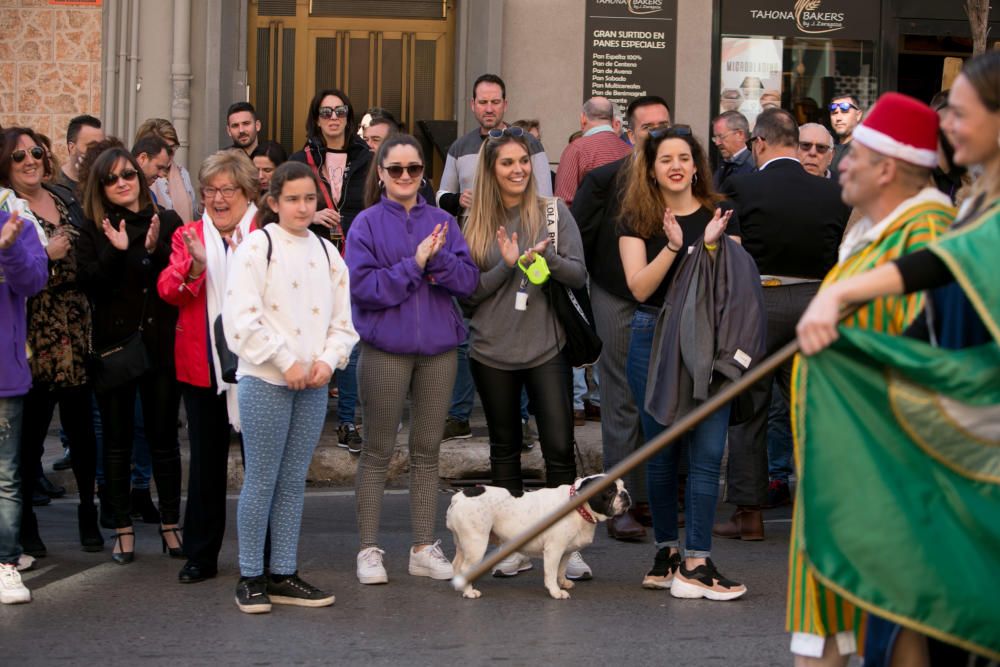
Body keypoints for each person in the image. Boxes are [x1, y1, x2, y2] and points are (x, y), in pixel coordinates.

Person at [796, 52, 1000, 667]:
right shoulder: (971, 208)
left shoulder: (950, 225)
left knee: (938, 618)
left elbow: (948, 267)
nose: (950, 126)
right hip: (924, 446)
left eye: (961, 114)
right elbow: (922, 324)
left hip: (957, 450)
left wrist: (846, 300)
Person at [616, 125, 746, 600]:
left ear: (696, 165)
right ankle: (667, 552)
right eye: (665, 158)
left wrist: (711, 244)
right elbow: (639, 289)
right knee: (663, 453)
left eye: (684, 157)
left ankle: (698, 560)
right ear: (652, 169)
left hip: (710, 343)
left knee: (709, 452)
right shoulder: (639, 219)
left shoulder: (721, 214)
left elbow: (733, 287)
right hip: (653, 337)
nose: (675, 165)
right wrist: (674, 247)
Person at [223, 161, 358, 614]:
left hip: (313, 384)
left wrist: (326, 361)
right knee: (262, 479)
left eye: (309, 199)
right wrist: (287, 362)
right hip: (266, 381)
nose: (303, 207)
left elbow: (344, 321)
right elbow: (242, 319)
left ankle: (283, 572)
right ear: (274, 201)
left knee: (293, 482)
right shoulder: (256, 248)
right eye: (293, 199)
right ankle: (250, 576)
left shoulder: (326, 252)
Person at [460, 128, 591, 580]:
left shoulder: (553, 213)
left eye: (523, 162)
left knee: (558, 449)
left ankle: (566, 541)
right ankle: (512, 545)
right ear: (491, 171)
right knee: (504, 451)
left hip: (545, 347)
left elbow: (578, 276)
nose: (517, 170)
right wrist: (507, 264)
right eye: (507, 163)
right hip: (491, 350)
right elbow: (468, 294)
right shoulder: (474, 223)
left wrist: (547, 259)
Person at [714, 108, 850, 541]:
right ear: (794, 144)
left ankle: (749, 514)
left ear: (758, 143)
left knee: (748, 407)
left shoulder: (742, 185)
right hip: (815, 301)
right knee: (812, 410)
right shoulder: (833, 194)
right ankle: (822, 511)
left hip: (759, 299)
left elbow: (729, 254)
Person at [348, 134, 478, 585]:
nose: (406, 176)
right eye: (396, 169)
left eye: (414, 169)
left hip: (440, 352)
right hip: (385, 351)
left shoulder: (444, 220)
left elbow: (468, 281)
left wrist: (437, 261)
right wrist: (415, 263)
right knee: (377, 452)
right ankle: (368, 549)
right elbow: (363, 288)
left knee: (427, 453)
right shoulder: (364, 224)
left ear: (424, 173)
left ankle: (423, 546)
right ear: (381, 173)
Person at [75, 146, 184, 565]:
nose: (123, 182)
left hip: (158, 346)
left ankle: (171, 525)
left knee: (163, 440)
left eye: (129, 175)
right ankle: (123, 529)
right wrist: (117, 249)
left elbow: (173, 280)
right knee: (117, 443)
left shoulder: (167, 221)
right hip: (114, 348)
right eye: (112, 178)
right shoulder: (92, 227)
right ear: (100, 187)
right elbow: (92, 285)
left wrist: (153, 248)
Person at [571, 95, 672, 540]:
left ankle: (650, 498)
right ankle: (617, 499)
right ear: (628, 133)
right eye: (647, 126)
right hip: (616, 298)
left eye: (664, 124)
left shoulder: (681, 178)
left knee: (661, 397)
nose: (656, 132)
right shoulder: (603, 180)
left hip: (668, 300)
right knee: (621, 398)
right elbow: (582, 239)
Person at [157, 151, 260, 585]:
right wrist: (198, 264)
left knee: (260, 467)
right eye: (209, 190)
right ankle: (201, 554)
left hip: (259, 369)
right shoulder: (188, 234)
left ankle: (264, 556)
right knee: (205, 464)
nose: (218, 198)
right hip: (203, 367)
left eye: (227, 190)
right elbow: (168, 289)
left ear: (246, 193)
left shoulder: (264, 233)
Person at [0, 127, 102, 556]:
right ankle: (25, 526)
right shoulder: (9, 208)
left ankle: (87, 515)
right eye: (19, 155)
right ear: (6, 164)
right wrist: (49, 255)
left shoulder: (66, 199)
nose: (29, 160)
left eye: (36, 152)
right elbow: (20, 272)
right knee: (29, 437)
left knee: (82, 432)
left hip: (75, 328)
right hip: (32, 329)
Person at [437, 74, 553, 442]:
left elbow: (546, 199)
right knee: (464, 334)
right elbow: (441, 195)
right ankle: (458, 415)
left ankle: (519, 418)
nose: (488, 108)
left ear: (505, 104)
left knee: (517, 328)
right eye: (482, 102)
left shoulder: (528, 143)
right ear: (473, 105)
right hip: (473, 247)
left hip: (520, 247)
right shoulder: (459, 147)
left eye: (495, 101)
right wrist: (457, 202)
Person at [290, 88, 371, 453]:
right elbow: (284, 205)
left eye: (340, 111)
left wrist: (346, 220)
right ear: (316, 118)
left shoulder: (367, 159)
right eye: (326, 112)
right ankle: (307, 422)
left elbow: (375, 209)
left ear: (349, 117)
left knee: (349, 343)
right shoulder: (301, 159)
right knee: (313, 340)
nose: (333, 118)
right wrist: (312, 215)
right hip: (312, 259)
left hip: (353, 259)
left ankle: (347, 421)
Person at [0, 194, 48, 605]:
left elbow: (33, 282)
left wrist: (9, 247)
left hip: (4, 374)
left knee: (5, 477)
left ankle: (5, 564)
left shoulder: (19, 225)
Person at [554, 97, 630, 206]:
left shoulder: (576, 149)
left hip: (584, 222)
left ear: (583, 119)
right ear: (613, 121)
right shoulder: (629, 151)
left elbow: (563, 203)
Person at [135, 118, 197, 223]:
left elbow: (192, 214)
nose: (170, 154)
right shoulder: (140, 178)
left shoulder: (183, 174)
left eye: (173, 148)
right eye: (165, 149)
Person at [57, 115, 104, 192]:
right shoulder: (55, 185)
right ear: (71, 148)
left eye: (101, 146)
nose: (98, 152)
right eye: (91, 146)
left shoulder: (107, 182)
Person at [711, 110, 753, 191]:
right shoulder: (725, 164)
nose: (717, 143)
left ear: (739, 134)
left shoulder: (753, 167)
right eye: (715, 138)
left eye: (721, 136)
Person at [829, 95, 864, 174]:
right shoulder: (825, 148)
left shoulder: (866, 150)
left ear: (858, 115)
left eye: (844, 112)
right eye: (834, 113)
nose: (838, 118)